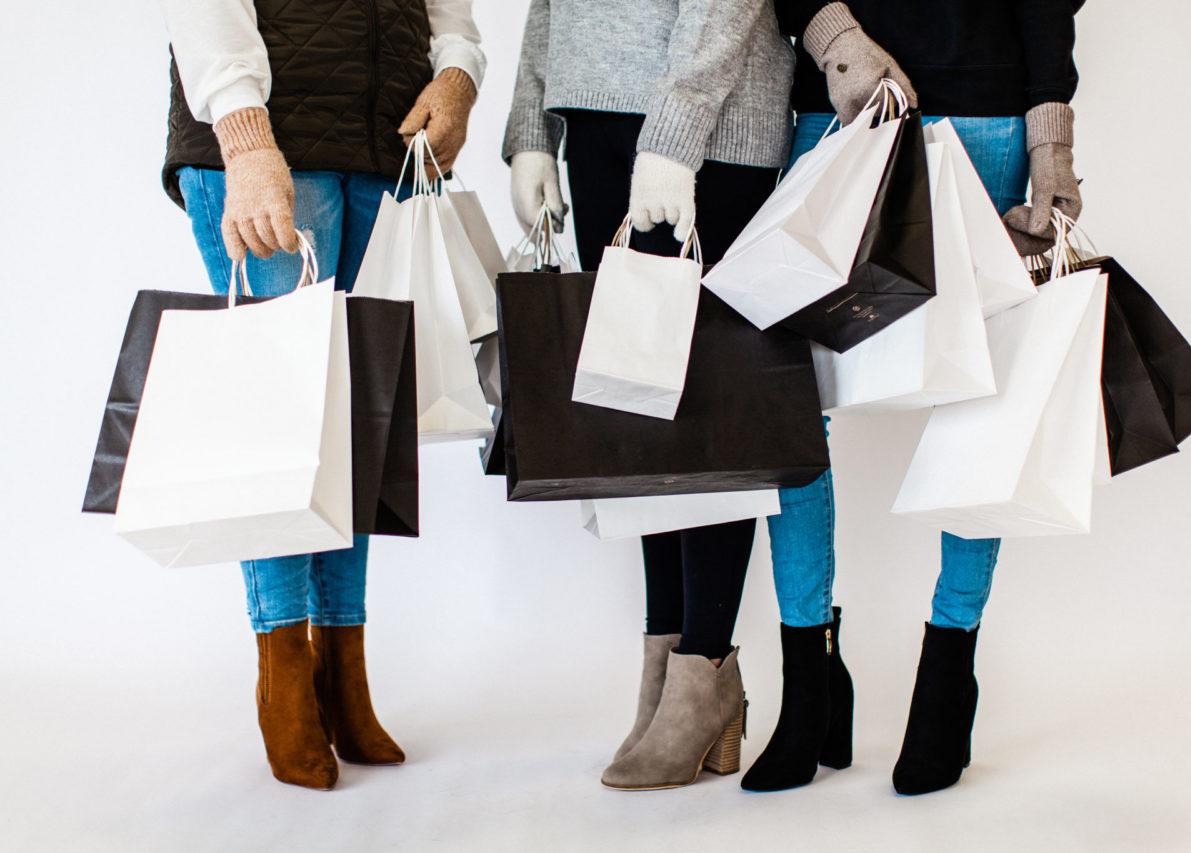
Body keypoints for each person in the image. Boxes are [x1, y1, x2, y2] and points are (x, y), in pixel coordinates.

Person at [743, 0, 1084, 794]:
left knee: (979, 400)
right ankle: (810, 673)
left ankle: (948, 671)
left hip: (986, 111)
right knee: (794, 398)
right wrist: (835, 38)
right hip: (839, 102)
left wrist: (1052, 141)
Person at [158, 0, 485, 790]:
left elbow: (450, 9)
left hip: (384, 148)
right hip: (274, 141)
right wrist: (244, 137)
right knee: (282, 418)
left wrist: (457, 75)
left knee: (358, 422)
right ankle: (283, 667)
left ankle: (343, 665)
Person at [503, 0, 794, 791]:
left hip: (705, 132)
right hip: (595, 124)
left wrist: (673, 135)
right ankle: (668, 664)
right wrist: (531, 127)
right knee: (638, 404)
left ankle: (706, 667)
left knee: (708, 406)